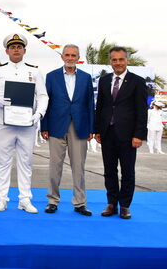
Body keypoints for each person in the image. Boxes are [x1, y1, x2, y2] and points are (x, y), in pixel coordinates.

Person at [0, 33, 48, 213]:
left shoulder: (34, 71)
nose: (16, 50)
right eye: (12, 47)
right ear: (7, 51)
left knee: (26, 161)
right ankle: (2, 198)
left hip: (26, 124)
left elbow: (42, 96)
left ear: (24, 50)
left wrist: (39, 113)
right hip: (4, 123)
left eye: (19, 47)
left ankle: (25, 199)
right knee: (2, 161)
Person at [95, 46, 148, 220]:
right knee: (109, 170)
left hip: (128, 136)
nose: (117, 63)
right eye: (114, 60)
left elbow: (142, 111)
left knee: (127, 171)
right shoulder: (104, 81)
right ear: (110, 61)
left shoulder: (137, 81)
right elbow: (100, 107)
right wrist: (97, 130)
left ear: (127, 61)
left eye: (121, 59)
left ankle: (125, 205)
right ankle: (111, 203)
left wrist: (139, 135)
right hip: (107, 133)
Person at [41, 44, 94, 216]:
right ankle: (52, 200)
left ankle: (80, 202)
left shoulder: (86, 78)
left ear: (78, 58)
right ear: (62, 56)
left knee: (78, 166)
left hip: (79, 127)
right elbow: (46, 102)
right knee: (55, 166)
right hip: (56, 126)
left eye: (73, 55)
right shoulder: (51, 76)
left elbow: (90, 104)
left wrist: (91, 128)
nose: (70, 58)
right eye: (67, 55)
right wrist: (44, 126)